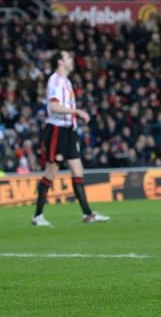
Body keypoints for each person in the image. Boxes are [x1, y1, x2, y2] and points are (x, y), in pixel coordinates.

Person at [31, 50, 109, 227]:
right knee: (51, 173)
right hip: (57, 130)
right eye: (67, 57)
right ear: (60, 62)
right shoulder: (55, 80)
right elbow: (54, 106)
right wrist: (77, 112)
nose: (71, 60)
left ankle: (87, 214)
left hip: (69, 130)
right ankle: (37, 216)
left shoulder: (66, 81)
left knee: (77, 169)